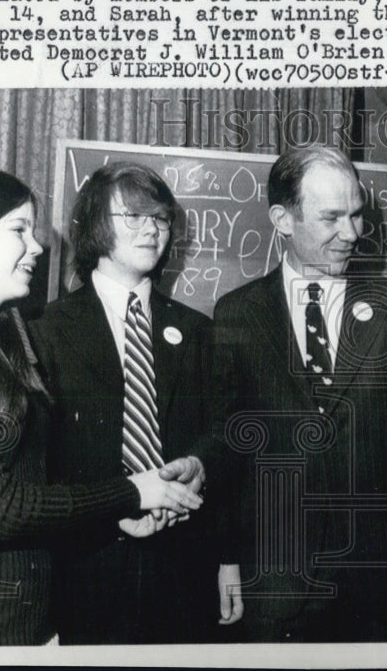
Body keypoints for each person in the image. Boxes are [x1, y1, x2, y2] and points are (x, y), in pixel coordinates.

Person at [0, 167, 204, 645]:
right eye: (18, 230)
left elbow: (35, 485)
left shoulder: (6, 335)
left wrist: (108, 514)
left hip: (25, 626)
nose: (36, 246)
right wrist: (132, 493)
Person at [211, 146, 387, 642]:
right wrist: (227, 558)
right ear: (282, 219)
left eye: (356, 215)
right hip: (277, 581)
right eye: (332, 217)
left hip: (381, 583)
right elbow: (228, 447)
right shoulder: (236, 314)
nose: (352, 233)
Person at [29, 162, 242, 644]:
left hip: (184, 566)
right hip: (85, 567)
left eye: (162, 218)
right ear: (95, 225)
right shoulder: (45, 330)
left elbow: (225, 436)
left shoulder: (197, 330)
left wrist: (199, 466)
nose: (152, 229)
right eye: (134, 216)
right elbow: (37, 465)